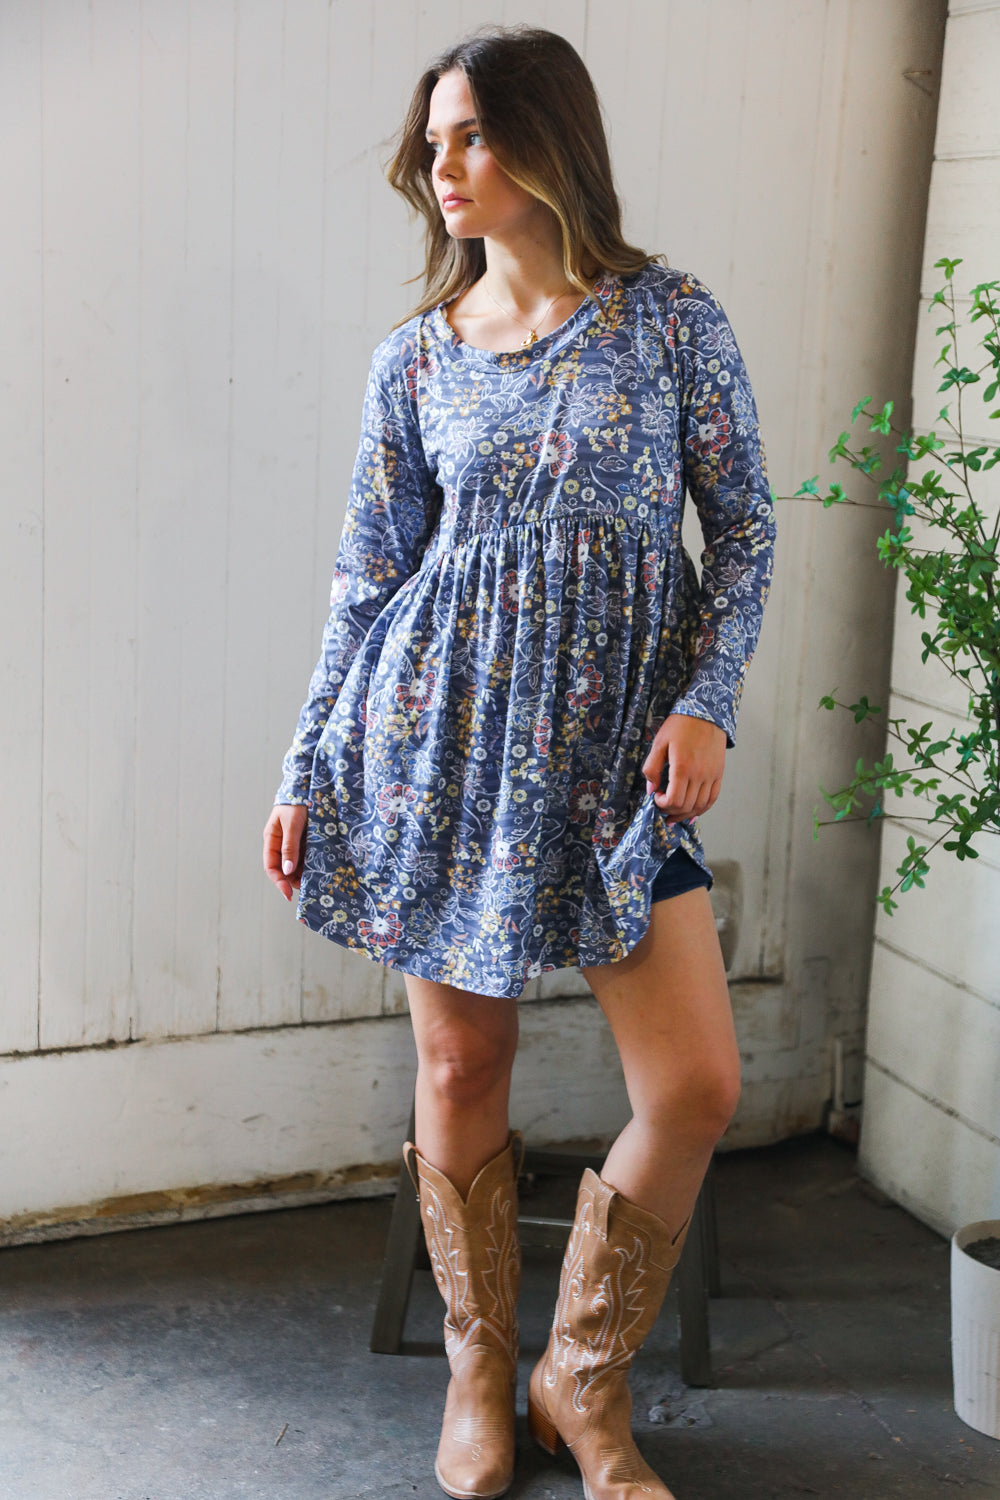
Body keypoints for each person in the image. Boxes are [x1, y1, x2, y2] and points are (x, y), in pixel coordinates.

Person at [263, 23, 775, 1500]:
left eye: (473, 134)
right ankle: (480, 1369)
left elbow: (745, 529)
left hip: (620, 761)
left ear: (552, 138)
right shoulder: (416, 359)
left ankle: (582, 1375)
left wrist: (708, 702)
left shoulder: (671, 319)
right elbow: (366, 580)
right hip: (437, 748)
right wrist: (305, 762)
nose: (444, 166)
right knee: (461, 1058)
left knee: (696, 1083)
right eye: (433, 143)